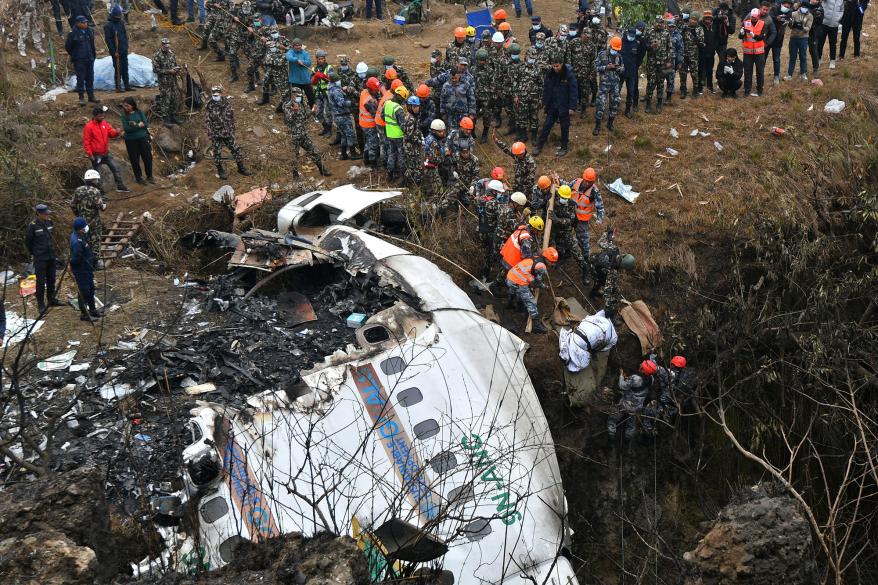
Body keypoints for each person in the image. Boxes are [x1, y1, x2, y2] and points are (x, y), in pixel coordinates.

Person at [558, 309, 618, 407]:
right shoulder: (610, 332)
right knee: (582, 362)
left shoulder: (596, 318)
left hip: (588, 337)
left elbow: (581, 364)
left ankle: (597, 383)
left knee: (596, 360)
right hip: (587, 341)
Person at [505, 247, 558, 334]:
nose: (552, 264)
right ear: (547, 259)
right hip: (517, 282)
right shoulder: (541, 267)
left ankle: (512, 304)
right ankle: (535, 325)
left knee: (520, 291)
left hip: (510, 276)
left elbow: (530, 277)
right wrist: (544, 286)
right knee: (531, 302)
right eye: (552, 262)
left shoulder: (535, 257)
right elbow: (537, 283)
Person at [205, 86, 253, 179]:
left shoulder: (226, 102)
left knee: (236, 149)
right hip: (216, 134)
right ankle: (220, 170)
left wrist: (232, 129)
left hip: (227, 132)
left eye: (217, 95)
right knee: (217, 153)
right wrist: (211, 134)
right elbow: (208, 122)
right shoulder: (209, 105)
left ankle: (241, 168)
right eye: (214, 95)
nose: (215, 97)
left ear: (221, 94)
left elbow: (231, 117)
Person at [534, 58, 578, 157]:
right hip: (553, 105)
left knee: (564, 127)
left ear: (562, 64)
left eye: (557, 66)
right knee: (547, 125)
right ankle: (539, 145)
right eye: (553, 66)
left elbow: (574, 92)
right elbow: (546, 89)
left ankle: (564, 146)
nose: (555, 68)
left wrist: (572, 107)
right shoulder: (550, 74)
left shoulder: (568, 75)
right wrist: (544, 100)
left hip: (564, 106)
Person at [283, 87, 331, 177]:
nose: (299, 97)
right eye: (297, 96)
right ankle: (295, 176)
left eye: (300, 96)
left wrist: (312, 112)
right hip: (294, 136)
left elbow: (304, 117)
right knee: (294, 157)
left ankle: (322, 170)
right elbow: (289, 119)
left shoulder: (300, 105)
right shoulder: (287, 105)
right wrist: (295, 111)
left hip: (303, 134)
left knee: (314, 151)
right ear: (292, 96)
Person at [25, 204, 64, 315]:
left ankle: (52, 300)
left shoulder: (49, 222)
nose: (47, 215)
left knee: (51, 279)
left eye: (48, 213)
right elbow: (28, 242)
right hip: (40, 258)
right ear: (38, 214)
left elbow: (52, 237)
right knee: (41, 282)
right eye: (45, 213)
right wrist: (35, 253)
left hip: (51, 256)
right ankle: (41, 304)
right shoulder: (32, 226)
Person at [568, 167, 604, 284]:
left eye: (590, 181)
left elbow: (600, 206)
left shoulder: (594, 191)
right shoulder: (576, 182)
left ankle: (586, 268)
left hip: (582, 220)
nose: (587, 183)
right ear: (583, 178)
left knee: (584, 245)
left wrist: (599, 219)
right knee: (565, 235)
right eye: (586, 180)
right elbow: (566, 188)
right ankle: (565, 252)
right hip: (570, 215)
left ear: (593, 182)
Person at [589, 227, 634, 319]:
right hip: (597, 270)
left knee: (598, 282)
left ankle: (593, 293)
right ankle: (610, 317)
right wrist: (609, 307)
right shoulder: (612, 272)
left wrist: (607, 233)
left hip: (594, 262)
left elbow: (600, 242)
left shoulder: (614, 249)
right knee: (603, 284)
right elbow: (607, 292)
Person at [83, 106, 129, 192]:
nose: (102, 117)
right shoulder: (89, 127)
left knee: (115, 168)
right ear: (95, 116)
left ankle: (120, 186)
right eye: (100, 116)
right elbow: (86, 142)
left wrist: (116, 132)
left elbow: (110, 133)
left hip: (105, 153)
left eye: (102, 115)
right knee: (97, 174)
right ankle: (100, 193)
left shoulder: (104, 123)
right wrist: (90, 154)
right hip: (96, 155)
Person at [607, 360, 655, 443]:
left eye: (642, 365)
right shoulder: (651, 379)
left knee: (612, 418)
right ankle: (627, 440)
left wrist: (621, 375)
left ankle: (611, 438)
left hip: (626, 404)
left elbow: (622, 386)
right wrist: (629, 380)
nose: (640, 364)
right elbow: (637, 385)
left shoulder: (636, 378)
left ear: (643, 369)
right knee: (631, 424)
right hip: (638, 407)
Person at [69, 217, 100, 322]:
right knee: (84, 292)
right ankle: (84, 314)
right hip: (81, 271)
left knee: (91, 289)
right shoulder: (76, 241)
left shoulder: (81, 236)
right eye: (85, 226)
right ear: (80, 229)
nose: (87, 227)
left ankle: (93, 310)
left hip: (87, 269)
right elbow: (75, 258)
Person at [71, 169, 107, 258]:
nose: (97, 181)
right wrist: (105, 205)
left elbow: (72, 205)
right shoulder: (95, 191)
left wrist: (77, 215)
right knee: (96, 240)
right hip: (94, 222)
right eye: (96, 179)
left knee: (82, 239)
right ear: (93, 180)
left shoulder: (78, 190)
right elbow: (101, 207)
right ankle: (95, 261)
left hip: (81, 221)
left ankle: (84, 258)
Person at [119, 97, 154, 185]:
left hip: (143, 138)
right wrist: (139, 125)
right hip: (131, 141)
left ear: (132, 105)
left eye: (127, 106)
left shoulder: (139, 112)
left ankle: (149, 176)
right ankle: (138, 178)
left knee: (147, 157)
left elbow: (145, 124)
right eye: (124, 106)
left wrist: (135, 125)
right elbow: (127, 129)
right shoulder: (124, 115)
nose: (126, 108)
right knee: (134, 159)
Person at [593, 36, 624, 135]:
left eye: (617, 49)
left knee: (614, 104)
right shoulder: (602, 55)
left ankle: (610, 124)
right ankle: (597, 126)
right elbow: (595, 67)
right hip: (604, 85)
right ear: (610, 46)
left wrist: (619, 69)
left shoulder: (619, 57)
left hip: (615, 85)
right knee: (600, 104)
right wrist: (606, 67)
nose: (615, 51)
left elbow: (623, 68)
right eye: (614, 49)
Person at [65, 16, 97, 107]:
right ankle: (81, 98)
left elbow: (92, 45)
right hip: (79, 60)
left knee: (90, 78)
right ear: (78, 23)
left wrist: (93, 55)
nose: (85, 24)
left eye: (86, 22)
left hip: (89, 58)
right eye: (83, 23)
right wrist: (75, 55)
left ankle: (91, 96)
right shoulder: (73, 34)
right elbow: (68, 47)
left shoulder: (89, 32)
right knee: (80, 79)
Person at [644, 17, 672, 113]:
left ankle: (659, 104)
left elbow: (670, 48)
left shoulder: (666, 34)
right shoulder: (649, 32)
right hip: (652, 62)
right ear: (654, 23)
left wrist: (669, 61)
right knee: (651, 83)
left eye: (661, 23)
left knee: (660, 83)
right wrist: (650, 46)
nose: (659, 24)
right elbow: (644, 46)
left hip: (663, 63)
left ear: (663, 24)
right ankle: (648, 103)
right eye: (657, 23)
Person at [153, 38, 183, 127]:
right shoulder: (157, 56)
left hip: (173, 80)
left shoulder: (171, 53)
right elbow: (156, 70)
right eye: (165, 46)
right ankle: (165, 118)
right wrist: (168, 71)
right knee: (165, 99)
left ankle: (173, 115)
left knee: (174, 98)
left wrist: (177, 69)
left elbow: (174, 64)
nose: (167, 48)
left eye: (168, 46)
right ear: (162, 45)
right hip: (164, 82)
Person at [739, 8, 768, 96]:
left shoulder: (763, 24)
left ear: (758, 16)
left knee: (760, 71)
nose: (753, 18)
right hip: (748, 52)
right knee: (747, 71)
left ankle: (760, 90)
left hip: (759, 53)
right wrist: (741, 33)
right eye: (752, 16)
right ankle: (747, 90)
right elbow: (740, 37)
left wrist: (754, 35)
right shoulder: (745, 23)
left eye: (755, 17)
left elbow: (763, 37)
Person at [384, 86, 408, 182]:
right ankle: (402, 177)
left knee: (391, 154)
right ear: (400, 97)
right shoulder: (399, 109)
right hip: (399, 136)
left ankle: (390, 175)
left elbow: (382, 116)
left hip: (389, 134)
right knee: (401, 155)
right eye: (403, 99)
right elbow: (403, 126)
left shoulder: (387, 103)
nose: (403, 101)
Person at [104, 4, 131, 92]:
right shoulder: (108, 26)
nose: (119, 17)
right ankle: (118, 86)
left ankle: (127, 86)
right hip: (116, 51)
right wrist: (113, 52)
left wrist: (126, 46)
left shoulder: (121, 23)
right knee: (118, 69)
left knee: (125, 68)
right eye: (118, 16)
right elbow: (108, 40)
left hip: (123, 49)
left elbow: (124, 35)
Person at [786, 3, 814, 80]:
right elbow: (790, 25)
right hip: (794, 37)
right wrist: (792, 24)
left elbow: (808, 28)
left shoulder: (810, 16)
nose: (804, 8)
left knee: (803, 56)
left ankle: (803, 73)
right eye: (803, 7)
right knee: (792, 57)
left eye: (806, 7)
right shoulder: (794, 14)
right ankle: (789, 74)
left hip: (803, 38)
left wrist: (802, 27)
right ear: (800, 7)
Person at [768, 0, 793, 85]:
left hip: (779, 38)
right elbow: (769, 17)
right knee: (763, 58)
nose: (787, 8)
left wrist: (789, 21)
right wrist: (776, 18)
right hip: (768, 37)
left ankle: (776, 76)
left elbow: (790, 22)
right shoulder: (774, 8)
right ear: (782, 4)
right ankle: (760, 76)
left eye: (789, 7)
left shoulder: (789, 12)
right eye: (786, 6)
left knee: (776, 58)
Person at [359, 77, 381, 168]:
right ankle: (373, 163)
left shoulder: (364, 91)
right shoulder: (369, 101)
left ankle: (366, 159)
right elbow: (375, 114)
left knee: (368, 142)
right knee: (373, 144)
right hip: (369, 125)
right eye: (375, 90)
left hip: (363, 123)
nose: (377, 92)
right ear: (370, 89)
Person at [621, 28, 643, 117]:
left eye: (633, 36)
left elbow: (640, 57)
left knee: (631, 92)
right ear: (627, 34)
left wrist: (636, 66)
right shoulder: (621, 42)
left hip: (632, 72)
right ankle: (614, 106)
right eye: (630, 35)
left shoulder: (636, 44)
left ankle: (627, 110)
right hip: (621, 72)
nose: (631, 37)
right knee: (616, 90)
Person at [286, 38, 314, 107]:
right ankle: (300, 112)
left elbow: (309, 62)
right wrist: (296, 60)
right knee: (298, 99)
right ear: (293, 46)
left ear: (301, 46)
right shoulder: (291, 52)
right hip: (295, 80)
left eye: (299, 45)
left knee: (311, 97)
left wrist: (303, 62)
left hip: (305, 79)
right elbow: (288, 57)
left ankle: (314, 111)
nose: (298, 47)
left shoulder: (305, 53)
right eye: (296, 45)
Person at [311, 49, 334, 135]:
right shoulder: (314, 69)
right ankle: (325, 127)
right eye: (319, 59)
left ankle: (329, 129)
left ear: (324, 59)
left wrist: (324, 76)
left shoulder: (329, 67)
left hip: (327, 93)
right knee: (317, 113)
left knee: (328, 112)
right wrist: (316, 77)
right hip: (317, 93)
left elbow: (332, 80)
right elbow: (312, 82)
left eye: (322, 58)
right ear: (316, 59)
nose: (321, 60)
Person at [819, 0, 844, 70]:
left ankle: (832, 61)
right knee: (820, 42)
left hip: (834, 25)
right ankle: (819, 58)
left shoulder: (841, 1)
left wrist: (838, 18)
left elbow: (842, 10)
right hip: (824, 23)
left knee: (833, 44)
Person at [699, 12, 718, 94]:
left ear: (711, 18)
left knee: (710, 71)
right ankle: (699, 88)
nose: (708, 20)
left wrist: (714, 47)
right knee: (701, 70)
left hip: (711, 53)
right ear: (703, 19)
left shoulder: (714, 27)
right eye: (706, 18)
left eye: (709, 18)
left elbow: (717, 39)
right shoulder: (700, 27)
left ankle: (710, 88)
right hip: (702, 53)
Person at [808, 0, 825, 72]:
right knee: (802, 51)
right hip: (804, 31)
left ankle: (816, 68)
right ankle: (803, 69)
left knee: (813, 50)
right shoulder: (806, 6)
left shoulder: (820, 9)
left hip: (814, 32)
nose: (813, 0)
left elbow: (816, 20)